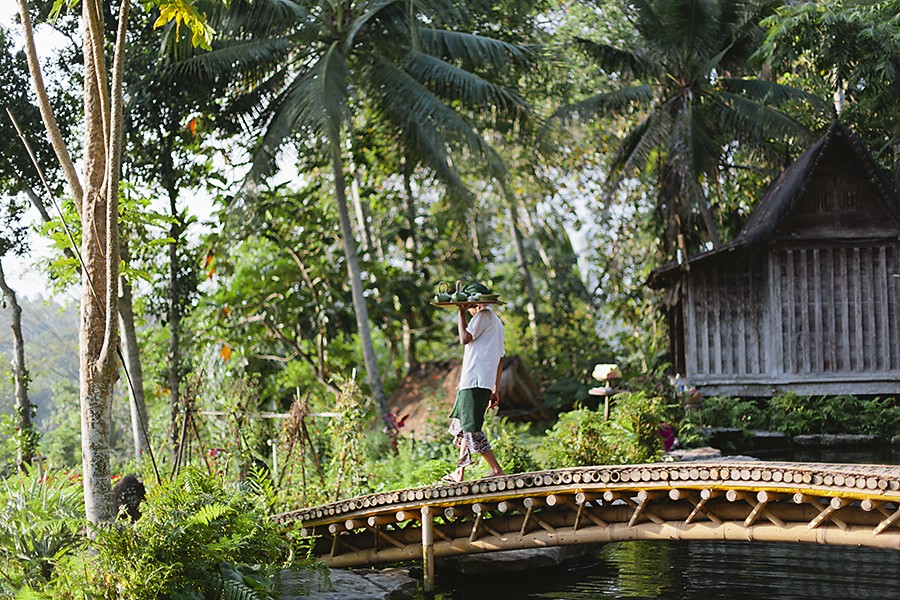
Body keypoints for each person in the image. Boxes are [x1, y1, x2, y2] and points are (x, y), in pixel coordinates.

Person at [442, 301, 506, 483]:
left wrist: (461, 313)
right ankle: (459, 472)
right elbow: (500, 359)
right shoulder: (497, 322)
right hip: (480, 381)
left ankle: (496, 469)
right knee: (464, 424)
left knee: (471, 428)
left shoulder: (482, 315)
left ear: (474, 304)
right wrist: (495, 388)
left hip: (474, 380)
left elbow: (464, 338)